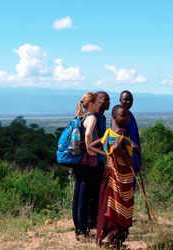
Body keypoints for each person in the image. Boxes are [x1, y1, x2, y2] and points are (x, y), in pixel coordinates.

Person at [88, 105, 138, 248]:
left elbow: (91, 146)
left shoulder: (109, 132)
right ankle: (114, 237)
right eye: (123, 115)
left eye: (127, 115)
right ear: (115, 117)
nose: (126, 118)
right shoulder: (122, 132)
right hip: (121, 176)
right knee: (121, 205)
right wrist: (127, 159)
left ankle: (109, 238)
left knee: (109, 205)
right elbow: (116, 147)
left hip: (110, 173)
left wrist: (107, 154)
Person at [72, 92, 99, 239]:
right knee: (84, 197)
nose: (99, 104)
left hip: (78, 161)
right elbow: (88, 134)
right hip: (87, 162)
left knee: (77, 196)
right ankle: (82, 231)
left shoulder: (80, 117)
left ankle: (78, 229)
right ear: (91, 104)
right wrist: (91, 150)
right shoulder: (91, 118)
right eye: (97, 102)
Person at [88, 91, 110, 229]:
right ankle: (91, 222)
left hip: (99, 158)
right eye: (105, 100)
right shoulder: (94, 117)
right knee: (93, 191)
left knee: (98, 191)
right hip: (94, 158)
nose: (108, 102)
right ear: (98, 101)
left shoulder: (102, 117)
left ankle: (96, 219)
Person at [119, 90, 141, 190]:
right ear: (120, 100)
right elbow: (117, 135)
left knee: (131, 189)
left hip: (133, 157)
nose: (128, 102)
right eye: (125, 99)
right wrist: (130, 143)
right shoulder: (120, 115)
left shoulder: (129, 114)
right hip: (125, 158)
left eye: (130, 99)